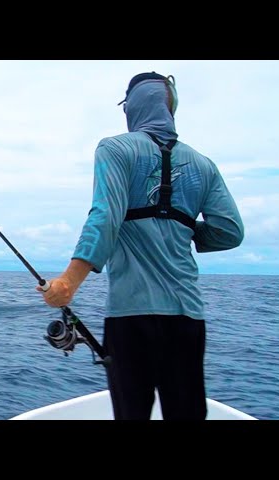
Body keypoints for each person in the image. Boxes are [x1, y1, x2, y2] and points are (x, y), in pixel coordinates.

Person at [37, 72, 244, 420]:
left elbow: (106, 217)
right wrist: (181, 223)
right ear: (169, 107)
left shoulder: (115, 148)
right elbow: (230, 231)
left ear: (132, 107)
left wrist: (69, 282)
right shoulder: (204, 165)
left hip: (130, 316)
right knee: (187, 414)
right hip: (188, 317)